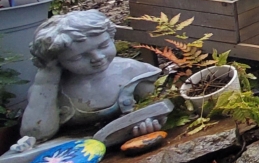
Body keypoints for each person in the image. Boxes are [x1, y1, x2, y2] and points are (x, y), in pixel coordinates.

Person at [19, 11, 163, 141]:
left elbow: (160, 103)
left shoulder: (131, 70)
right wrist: (46, 81)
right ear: (57, 62)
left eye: (103, 45)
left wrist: (148, 120)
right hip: (72, 153)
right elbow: (35, 134)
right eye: (77, 57)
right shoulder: (51, 89)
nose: (97, 58)